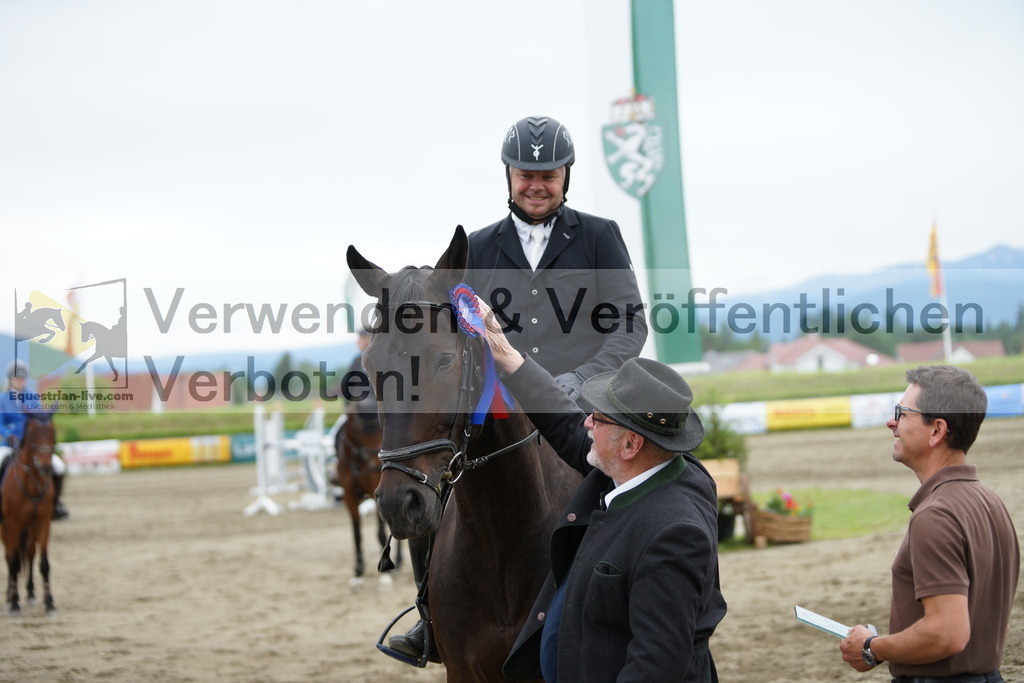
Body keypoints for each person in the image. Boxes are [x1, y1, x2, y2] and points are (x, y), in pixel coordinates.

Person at [389, 115, 650, 661]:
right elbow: (452, 334)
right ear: (508, 175)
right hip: (500, 407)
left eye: (548, 175)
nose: (536, 185)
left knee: (634, 483)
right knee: (429, 475)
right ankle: (430, 616)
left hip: (583, 404)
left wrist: (581, 380)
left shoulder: (599, 236)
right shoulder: (477, 247)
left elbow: (629, 325)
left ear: (566, 176)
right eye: (526, 175)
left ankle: (643, 603)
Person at [478, 300, 726, 681]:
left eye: (598, 417)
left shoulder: (676, 536)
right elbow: (566, 425)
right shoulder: (647, 467)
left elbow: (654, 669)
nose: (587, 422)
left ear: (630, 444)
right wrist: (505, 353)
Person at [839, 365, 1018, 681]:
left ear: (937, 430)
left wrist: (872, 646)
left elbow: (946, 634)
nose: (891, 422)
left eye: (902, 413)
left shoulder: (935, 515)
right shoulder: (990, 502)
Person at [0, 360, 69, 520]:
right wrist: (8, 434)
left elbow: (41, 419)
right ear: (10, 379)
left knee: (59, 467)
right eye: (17, 378)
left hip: (31, 445)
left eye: (22, 378)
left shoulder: (33, 396)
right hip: (10, 443)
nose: (20, 381)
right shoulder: (2, 399)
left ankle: (55, 503)